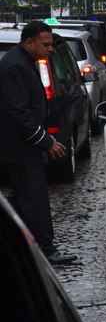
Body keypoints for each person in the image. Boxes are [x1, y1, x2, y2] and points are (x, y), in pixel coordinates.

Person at [0, 20, 77, 265]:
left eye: (51, 44)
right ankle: (45, 249)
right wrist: (46, 142)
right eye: (46, 44)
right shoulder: (15, 66)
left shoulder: (24, 61)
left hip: (24, 146)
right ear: (29, 42)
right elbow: (18, 113)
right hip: (21, 147)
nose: (50, 49)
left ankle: (24, 244)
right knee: (34, 198)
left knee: (22, 198)